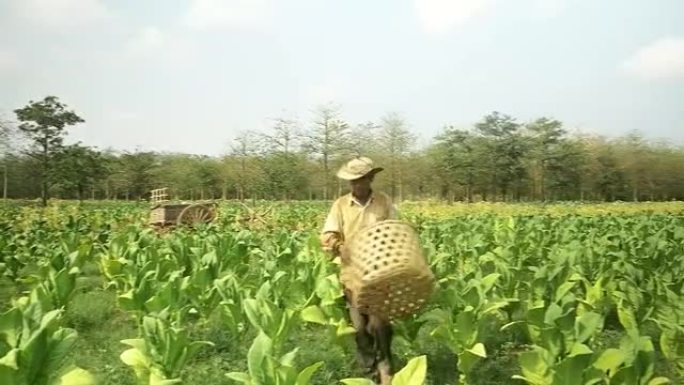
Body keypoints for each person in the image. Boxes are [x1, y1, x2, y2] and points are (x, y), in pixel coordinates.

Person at [319, 156, 398, 385]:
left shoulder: (383, 201)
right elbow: (328, 235)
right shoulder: (341, 205)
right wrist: (338, 245)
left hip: (379, 269)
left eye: (361, 180)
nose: (356, 185)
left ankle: (385, 365)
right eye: (352, 181)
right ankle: (370, 371)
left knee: (378, 323)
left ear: (370, 178)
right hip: (352, 273)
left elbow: (395, 228)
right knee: (360, 327)